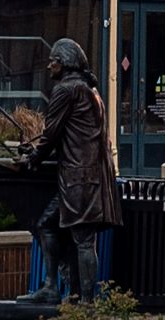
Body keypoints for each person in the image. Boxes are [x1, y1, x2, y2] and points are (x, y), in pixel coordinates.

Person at [34, 37, 121, 303]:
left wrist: (34, 157)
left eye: (53, 61)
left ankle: (85, 301)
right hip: (92, 176)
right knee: (49, 225)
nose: (49, 66)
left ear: (65, 63)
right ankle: (55, 287)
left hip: (78, 177)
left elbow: (50, 134)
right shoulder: (90, 90)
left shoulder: (66, 89)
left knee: (82, 238)